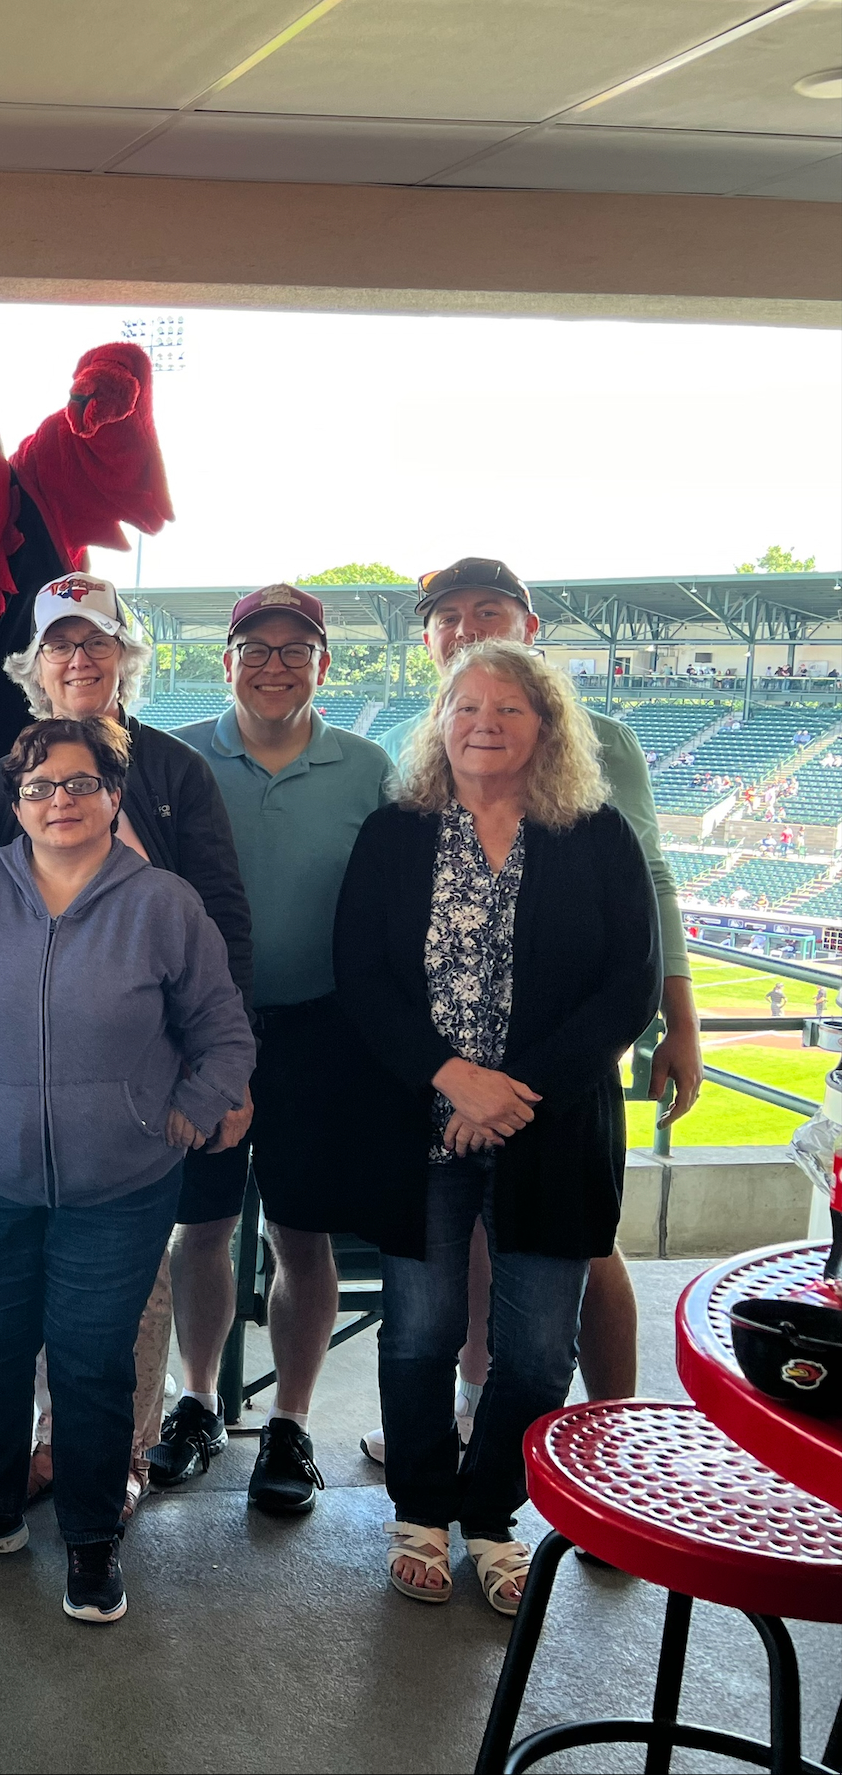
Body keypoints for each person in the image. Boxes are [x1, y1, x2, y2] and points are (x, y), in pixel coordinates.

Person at [0, 716, 253, 1620]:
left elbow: (223, 1031)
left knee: (94, 1364)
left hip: (121, 1185)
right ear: (14, 804)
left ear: (113, 797)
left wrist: (192, 1107)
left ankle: (92, 1536)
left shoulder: (163, 903)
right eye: (40, 787)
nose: (60, 801)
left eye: (79, 784)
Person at [335, 641, 658, 1616]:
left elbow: (626, 987)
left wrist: (511, 1093)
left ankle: (491, 1520)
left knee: (530, 1349)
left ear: (546, 726)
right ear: (439, 722)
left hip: (549, 1129)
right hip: (417, 1122)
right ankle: (420, 1516)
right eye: (465, 705)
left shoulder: (594, 834)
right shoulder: (395, 833)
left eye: (509, 707)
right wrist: (452, 1080)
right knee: (420, 1332)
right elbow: (361, 976)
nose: (483, 721)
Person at [360, 558, 700, 1464]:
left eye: (490, 613)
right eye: (450, 617)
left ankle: (602, 1441)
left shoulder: (603, 750)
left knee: (582, 1256)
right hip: (435, 1091)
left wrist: (679, 1020)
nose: (469, 630)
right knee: (447, 1285)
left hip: (554, 1084)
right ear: (429, 639)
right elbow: (379, 937)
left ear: (529, 626)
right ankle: (471, 1435)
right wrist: (456, 1082)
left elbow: (644, 897)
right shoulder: (407, 753)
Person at [0, 573, 253, 1514]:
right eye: (60, 644)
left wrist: (223, 1075)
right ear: (35, 666)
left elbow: (224, 930)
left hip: (145, 1077)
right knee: (33, 1271)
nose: (79, 659)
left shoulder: (173, 773)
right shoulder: (0, 784)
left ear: (127, 658)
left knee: (129, 1276)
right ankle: (51, 1443)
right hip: (26, 1080)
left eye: (97, 643)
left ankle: (116, 1452)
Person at [160, 586, 393, 1514]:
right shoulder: (176, 760)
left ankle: (291, 1422)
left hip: (320, 1030)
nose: (275, 664)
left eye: (297, 649)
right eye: (255, 647)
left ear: (325, 665)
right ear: (227, 660)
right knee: (202, 1229)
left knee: (303, 1236)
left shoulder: (368, 767)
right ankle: (197, 1399)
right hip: (199, 1030)